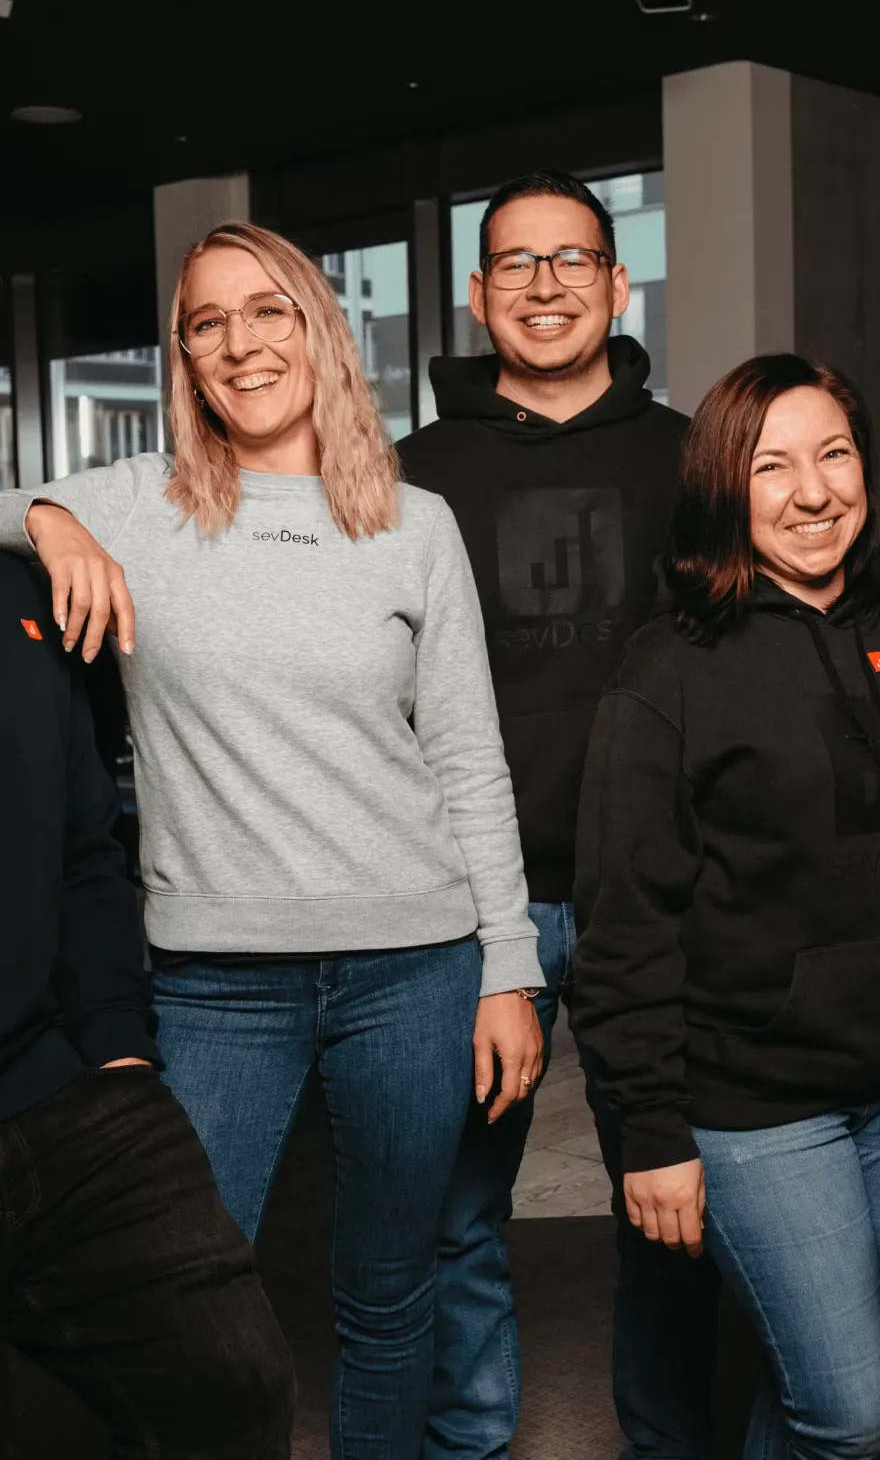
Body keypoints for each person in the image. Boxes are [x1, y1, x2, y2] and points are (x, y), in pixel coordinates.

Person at [0, 221, 543, 1460]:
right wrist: (50, 516)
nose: (239, 343)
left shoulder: (415, 523)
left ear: (317, 329)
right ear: (185, 357)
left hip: (416, 966)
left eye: (266, 312)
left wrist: (508, 967)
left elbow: (468, 761)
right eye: (207, 322)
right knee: (184, 1307)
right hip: (212, 982)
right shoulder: (136, 504)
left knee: (391, 1295)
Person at [568, 353, 880, 1460]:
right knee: (855, 1413)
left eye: (834, 455)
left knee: (829, 1373)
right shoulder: (669, 673)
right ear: (722, 487)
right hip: (756, 1106)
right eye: (772, 466)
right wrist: (650, 1132)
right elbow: (624, 927)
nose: (812, 492)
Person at [397, 170, 720, 1460]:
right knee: (454, 1211)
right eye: (517, 264)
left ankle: (668, 1440)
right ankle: (469, 1442)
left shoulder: (693, 456)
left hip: (666, 893)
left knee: (673, 1197)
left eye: (571, 258)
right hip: (480, 899)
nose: (545, 284)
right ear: (478, 295)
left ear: (616, 281)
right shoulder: (410, 475)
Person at [0, 551, 293, 1458]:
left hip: (54, 1084)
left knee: (235, 1384)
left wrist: (118, 1048)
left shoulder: (22, 595)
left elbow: (85, 848)